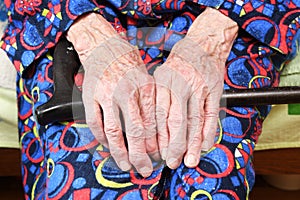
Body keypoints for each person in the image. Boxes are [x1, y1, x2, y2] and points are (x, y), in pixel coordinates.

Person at [1, 0, 299, 199]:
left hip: (228, 14)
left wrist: (213, 36)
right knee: (82, 180)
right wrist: (91, 37)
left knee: (208, 176)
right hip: (72, 20)